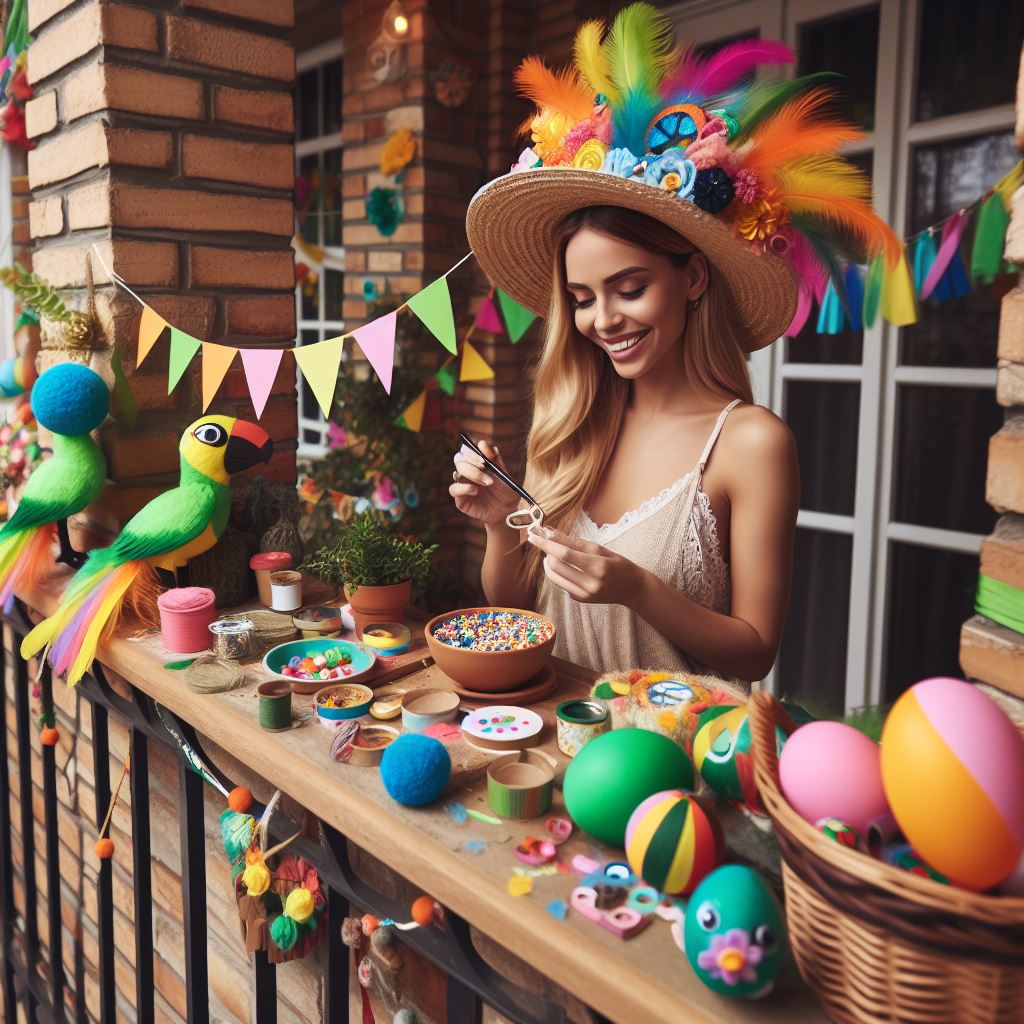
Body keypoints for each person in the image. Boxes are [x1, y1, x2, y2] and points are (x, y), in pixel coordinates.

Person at [451, 3, 901, 683]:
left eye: (629, 288)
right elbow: (516, 610)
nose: (602, 320)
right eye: (580, 299)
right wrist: (496, 524)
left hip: (673, 773)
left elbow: (754, 651)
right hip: (545, 754)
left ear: (692, 278)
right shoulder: (571, 421)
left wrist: (638, 589)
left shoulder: (750, 444)